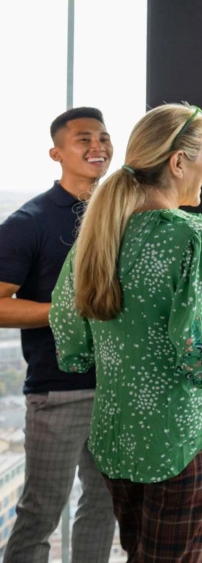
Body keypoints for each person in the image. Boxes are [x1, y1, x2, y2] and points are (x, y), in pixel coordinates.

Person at [48, 104, 202, 562]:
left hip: (115, 433)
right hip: (182, 434)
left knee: (137, 553)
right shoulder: (192, 238)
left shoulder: (99, 232)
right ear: (177, 162)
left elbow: (71, 339)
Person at [0, 108, 117, 563]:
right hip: (57, 392)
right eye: (83, 139)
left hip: (114, 388)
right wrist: (69, 313)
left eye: (104, 138)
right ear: (56, 153)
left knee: (103, 505)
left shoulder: (118, 214)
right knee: (40, 513)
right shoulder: (27, 222)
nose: (97, 147)